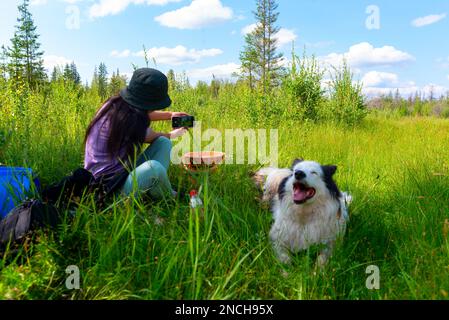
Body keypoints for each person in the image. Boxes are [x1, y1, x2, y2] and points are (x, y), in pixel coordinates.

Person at [84, 68, 190, 199]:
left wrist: (170, 115)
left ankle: (154, 189)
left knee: (163, 143)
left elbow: (144, 114)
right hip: (108, 190)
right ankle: (171, 197)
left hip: (120, 175)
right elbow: (153, 135)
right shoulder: (130, 123)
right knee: (154, 168)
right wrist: (176, 133)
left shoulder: (114, 105)